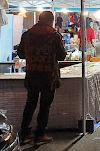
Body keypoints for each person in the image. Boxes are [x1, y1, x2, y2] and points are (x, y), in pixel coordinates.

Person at [17, 11, 66, 144]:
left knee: (30, 103)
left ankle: (25, 133)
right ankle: (40, 134)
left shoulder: (27, 35)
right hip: (48, 76)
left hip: (32, 73)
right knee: (45, 106)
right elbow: (62, 56)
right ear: (51, 20)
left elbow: (20, 54)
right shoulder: (54, 36)